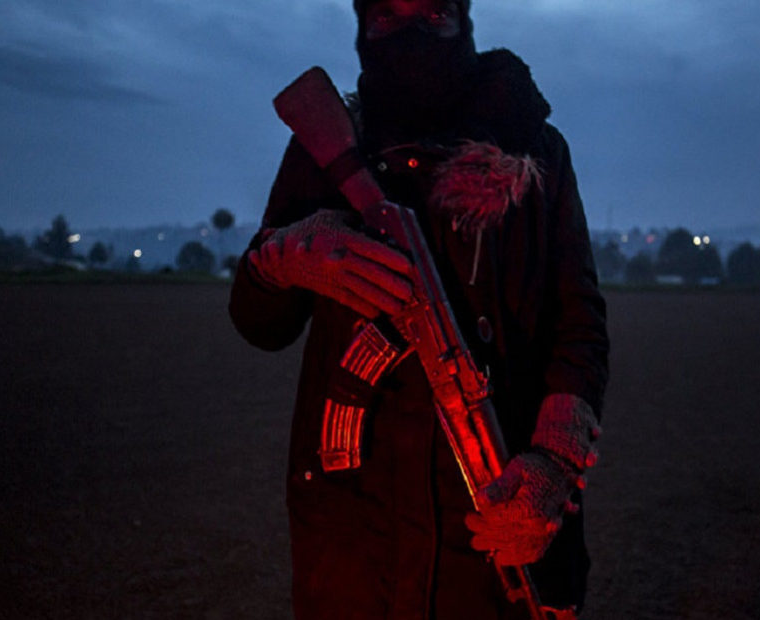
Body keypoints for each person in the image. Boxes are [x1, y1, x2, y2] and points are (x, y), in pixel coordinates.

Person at [229, 1, 609, 617]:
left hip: (494, 513)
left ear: (463, 20)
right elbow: (259, 321)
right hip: (352, 543)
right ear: (363, 28)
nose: (411, 34)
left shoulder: (535, 150)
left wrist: (554, 460)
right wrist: (284, 256)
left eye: (432, 14)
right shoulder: (329, 145)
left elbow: (580, 321)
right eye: (387, 17)